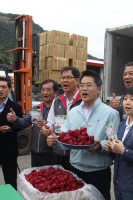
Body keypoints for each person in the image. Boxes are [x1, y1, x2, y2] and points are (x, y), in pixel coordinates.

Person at [46, 70, 120, 200]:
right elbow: (65, 139)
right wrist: (55, 141)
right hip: (75, 168)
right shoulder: (73, 112)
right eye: (82, 85)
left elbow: (114, 142)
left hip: (98, 172)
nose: (84, 88)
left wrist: (99, 145)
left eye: (89, 85)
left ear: (99, 89)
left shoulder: (110, 114)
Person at [6, 79, 58, 167]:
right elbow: (25, 122)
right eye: (43, 90)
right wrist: (15, 119)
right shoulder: (37, 109)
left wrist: (50, 127)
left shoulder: (59, 109)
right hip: (35, 152)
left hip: (51, 153)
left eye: (48, 90)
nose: (45, 92)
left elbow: (63, 130)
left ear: (55, 92)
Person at [42, 66, 82, 170]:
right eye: (63, 78)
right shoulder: (57, 101)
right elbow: (50, 121)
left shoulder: (83, 100)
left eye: (68, 77)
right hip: (58, 151)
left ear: (77, 80)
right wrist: (47, 128)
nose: (64, 80)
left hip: (76, 153)